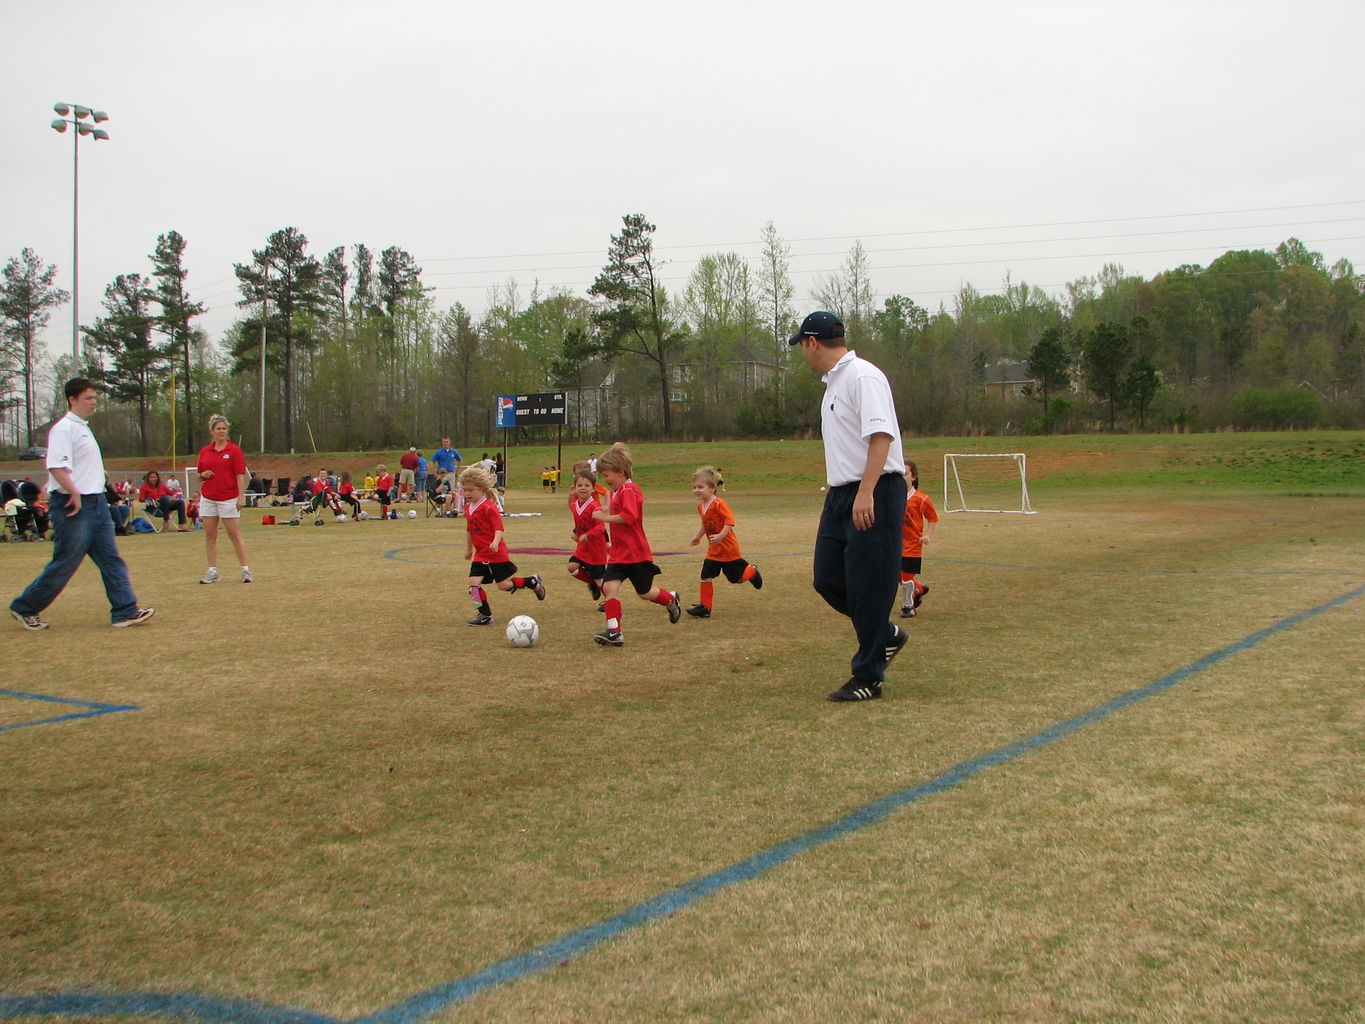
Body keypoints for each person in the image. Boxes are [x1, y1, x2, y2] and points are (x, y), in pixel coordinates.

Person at [790, 311, 908, 702]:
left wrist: (866, 491)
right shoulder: (833, 386)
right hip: (840, 494)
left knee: (869, 585)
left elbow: (881, 436)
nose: (802, 355)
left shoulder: (863, 376)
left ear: (812, 342)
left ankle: (868, 677)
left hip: (874, 490)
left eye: (801, 346)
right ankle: (884, 634)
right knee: (828, 578)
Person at [9, 378, 154, 630]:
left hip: (95, 502)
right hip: (73, 505)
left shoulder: (83, 428)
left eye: (95, 398)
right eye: (88, 398)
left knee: (111, 559)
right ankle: (25, 607)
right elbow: (56, 465)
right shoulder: (65, 429)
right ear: (72, 399)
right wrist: (73, 491)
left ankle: (124, 610)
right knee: (66, 562)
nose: (94, 403)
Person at [590, 442, 682, 646]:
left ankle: (670, 599)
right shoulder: (617, 490)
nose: (605, 480)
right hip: (619, 554)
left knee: (645, 592)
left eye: (607, 475)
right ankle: (615, 631)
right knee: (609, 587)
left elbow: (629, 517)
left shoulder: (629, 490)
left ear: (620, 472)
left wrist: (603, 518)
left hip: (636, 554)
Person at [460, 464, 546, 625]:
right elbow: (470, 530)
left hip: (496, 554)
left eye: (470, 490)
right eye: (465, 490)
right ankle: (485, 615)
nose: (467, 494)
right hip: (480, 555)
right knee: (473, 585)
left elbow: (498, 528)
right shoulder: (467, 509)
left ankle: (532, 582)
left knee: (504, 585)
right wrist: (468, 549)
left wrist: (495, 542)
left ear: (482, 489)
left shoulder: (488, 508)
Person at [685, 465, 762, 618]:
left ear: (712, 488)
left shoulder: (720, 504)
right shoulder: (701, 506)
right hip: (714, 551)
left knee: (736, 579)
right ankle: (705, 608)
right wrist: (698, 536)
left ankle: (752, 571)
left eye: (700, 487)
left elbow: (730, 521)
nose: (696, 490)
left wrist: (720, 536)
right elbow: (705, 524)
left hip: (728, 550)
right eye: (694, 487)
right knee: (705, 575)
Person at [196, 413, 252, 584]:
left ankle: (245, 570)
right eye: (218, 428)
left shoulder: (234, 450)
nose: (221, 431)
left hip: (228, 497)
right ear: (212, 431)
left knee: (234, 534)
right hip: (209, 497)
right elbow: (199, 476)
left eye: (224, 428)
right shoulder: (205, 451)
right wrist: (202, 475)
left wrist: (240, 497)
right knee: (210, 535)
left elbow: (240, 475)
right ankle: (212, 571)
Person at [899, 459, 938, 617]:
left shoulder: (921, 499)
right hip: (895, 544)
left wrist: (927, 535)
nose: (902, 477)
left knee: (907, 576)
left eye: (905, 473)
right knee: (898, 576)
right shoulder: (894, 498)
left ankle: (909, 607)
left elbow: (933, 518)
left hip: (912, 545)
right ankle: (920, 589)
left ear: (913, 477)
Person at [566, 468, 608, 604]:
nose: (583, 488)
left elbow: (601, 527)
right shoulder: (575, 504)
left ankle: (610, 600)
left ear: (593, 489)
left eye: (587, 485)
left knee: (600, 580)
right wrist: (569, 494)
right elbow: (571, 506)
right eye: (579, 485)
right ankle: (593, 584)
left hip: (596, 548)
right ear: (575, 488)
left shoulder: (594, 506)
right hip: (583, 547)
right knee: (572, 567)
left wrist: (588, 535)